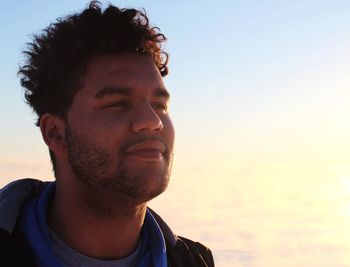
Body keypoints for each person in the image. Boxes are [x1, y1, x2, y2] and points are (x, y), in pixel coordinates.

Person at [0, 1, 214, 266]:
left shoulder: (193, 261)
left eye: (160, 105)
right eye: (116, 104)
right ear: (55, 133)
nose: (152, 121)